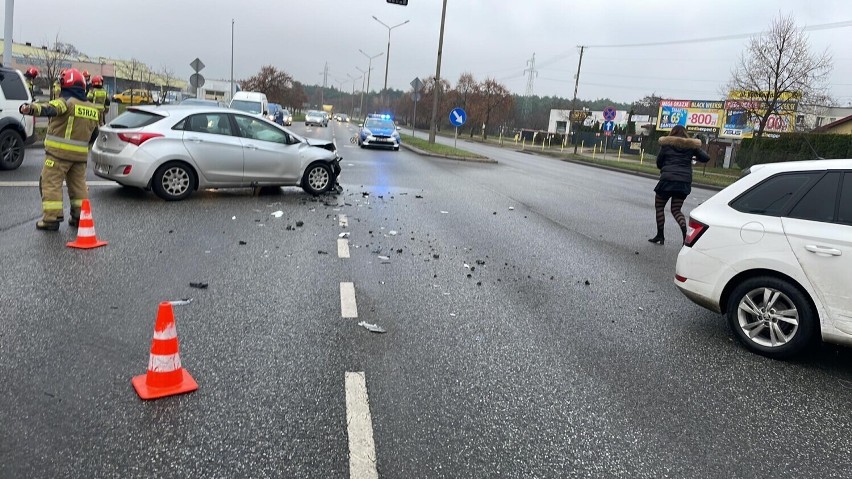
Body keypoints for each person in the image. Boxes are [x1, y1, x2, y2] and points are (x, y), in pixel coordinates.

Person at [19, 68, 100, 231]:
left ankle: (51, 218)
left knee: (50, 184)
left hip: (58, 155)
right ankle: (79, 217)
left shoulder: (66, 102)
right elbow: (94, 134)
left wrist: (30, 109)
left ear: (65, 84)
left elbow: (49, 108)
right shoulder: (93, 109)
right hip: (80, 158)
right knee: (79, 187)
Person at [648, 125, 710, 245]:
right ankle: (685, 237)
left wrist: (665, 168)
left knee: (659, 207)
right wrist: (694, 152)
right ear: (686, 134)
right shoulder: (691, 146)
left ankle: (660, 236)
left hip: (667, 180)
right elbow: (706, 158)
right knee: (676, 210)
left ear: (672, 132)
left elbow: (659, 162)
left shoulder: (667, 145)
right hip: (683, 182)